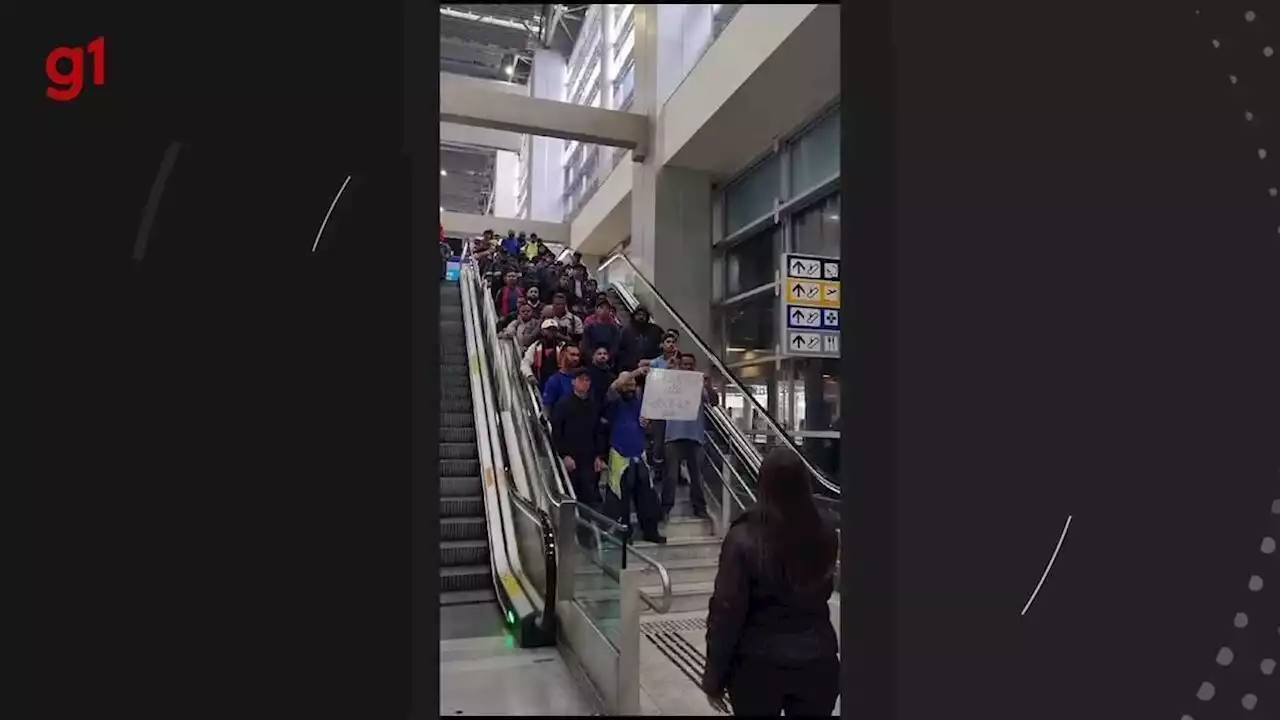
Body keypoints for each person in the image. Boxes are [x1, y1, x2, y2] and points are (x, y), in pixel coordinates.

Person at [700, 449, 840, 716]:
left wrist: (714, 678)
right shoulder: (826, 531)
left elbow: (726, 612)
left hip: (757, 666)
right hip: (818, 660)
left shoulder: (745, 537)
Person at [601, 370, 666, 544]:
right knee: (619, 498)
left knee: (647, 496)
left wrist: (647, 424)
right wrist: (632, 374)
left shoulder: (641, 404)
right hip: (620, 455)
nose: (630, 387)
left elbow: (650, 428)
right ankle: (623, 533)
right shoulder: (614, 402)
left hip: (640, 453)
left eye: (633, 385)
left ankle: (650, 531)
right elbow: (612, 389)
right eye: (627, 384)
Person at [657, 353, 716, 522]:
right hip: (673, 435)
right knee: (671, 475)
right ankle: (665, 508)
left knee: (697, 476)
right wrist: (667, 371)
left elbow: (713, 402)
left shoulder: (699, 385)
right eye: (685, 364)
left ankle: (699, 507)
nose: (688, 367)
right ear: (680, 365)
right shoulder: (672, 383)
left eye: (691, 364)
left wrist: (708, 385)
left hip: (695, 435)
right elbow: (657, 392)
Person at [549, 368, 608, 508]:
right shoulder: (563, 405)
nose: (585, 383)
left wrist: (599, 456)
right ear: (573, 382)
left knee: (591, 496)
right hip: (572, 458)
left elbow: (598, 431)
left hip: (590, 458)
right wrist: (564, 455)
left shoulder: (593, 405)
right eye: (581, 380)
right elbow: (556, 431)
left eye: (588, 380)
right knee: (574, 495)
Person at [520, 319, 567, 391]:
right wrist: (529, 375)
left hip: (560, 381)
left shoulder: (563, 346)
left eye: (553, 330)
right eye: (548, 330)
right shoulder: (536, 346)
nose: (551, 332)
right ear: (542, 331)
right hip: (542, 381)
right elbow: (525, 362)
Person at [618, 305, 664, 371]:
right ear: (634, 315)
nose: (641, 317)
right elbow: (620, 349)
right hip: (630, 368)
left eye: (643, 315)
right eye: (639, 314)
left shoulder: (655, 330)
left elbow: (662, 347)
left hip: (650, 367)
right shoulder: (626, 330)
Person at [541, 345, 583, 409]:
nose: (576, 358)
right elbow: (547, 407)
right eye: (572, 355)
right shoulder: (554, 380)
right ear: (563, 355)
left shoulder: (582, 378)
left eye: (578, 355)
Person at [582, 297, 622, 361]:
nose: (604, 310)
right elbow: (585, 346)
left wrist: (608, 356)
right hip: (591, 361)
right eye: (601, 307)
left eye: (607, 308)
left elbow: (615, 346)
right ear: (596, 309)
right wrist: (593, 357)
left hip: (609, 361)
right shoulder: (589, 328)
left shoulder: (614, 329)